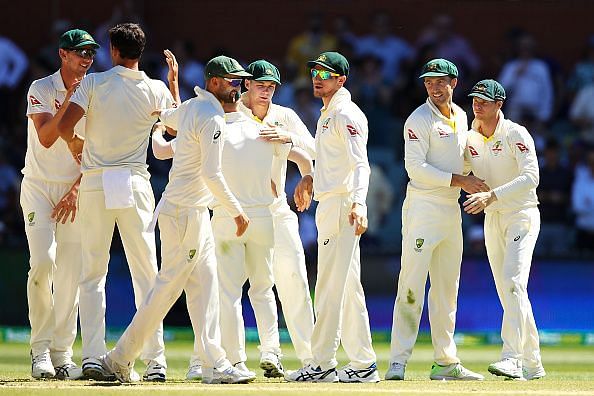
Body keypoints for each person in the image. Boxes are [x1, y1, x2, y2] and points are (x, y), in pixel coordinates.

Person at [101, 55, 255, 384]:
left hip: (189, 214)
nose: (239, 87)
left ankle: (215, 364)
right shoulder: (212, 118)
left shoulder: (195, 108)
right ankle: (119, 357)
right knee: (166, 291)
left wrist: (172, 89)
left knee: (206, 289)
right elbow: (211, 174)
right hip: (185, 214)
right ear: (214, 82)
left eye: (240, 81)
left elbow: (169, 122)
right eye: (233, 81)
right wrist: (237, 211)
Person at [57, 23, 174, 382]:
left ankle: (92, 356)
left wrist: (77, 145)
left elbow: (64, 127)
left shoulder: (93, 83)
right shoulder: (155, 89)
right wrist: (172, 86)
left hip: (95, 181)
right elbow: (176, 128)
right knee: (147, 275)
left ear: (113, 49)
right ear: (140, 52)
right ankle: (155, 361)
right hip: (135, 182)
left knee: (92, 273)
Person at [208, 57, 313, 381]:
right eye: (261, 85)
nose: (266, 92)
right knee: (230, 287)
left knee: (292, 278)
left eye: (271, 87)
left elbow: (311, 150)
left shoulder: (284, 116)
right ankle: (225, 358)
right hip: (233, 209)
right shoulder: (229, 114)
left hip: (276, 209)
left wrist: (292, 146)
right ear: (247, 85)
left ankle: (309, 359)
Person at [386, 59, 486, 381]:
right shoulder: (418, 119)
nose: (434, 87)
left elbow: (465, 162)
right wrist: (461, 180)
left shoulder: (461, 116)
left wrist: (481, 178)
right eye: (429, 82)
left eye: (440, 81)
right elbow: (415, 169)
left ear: (453, 83)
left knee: (446, 288)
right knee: (411, 285)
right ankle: (397, 362)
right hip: (423, 208)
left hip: (450, 211)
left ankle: (445, 361)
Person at [287, 51, 379, 383]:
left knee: (327, 285)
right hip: (332, 203)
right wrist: (311, 177)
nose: (317, 77)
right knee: (347, 286)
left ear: (341, 80)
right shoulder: (327, 114)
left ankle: (322, 363)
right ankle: (363, 362)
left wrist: (359, 203)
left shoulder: (345, 114)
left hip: (342, 206)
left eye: (325, 73)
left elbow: (360, 164)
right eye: (314, 71)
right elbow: (331, 159)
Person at [21, 28, 99, 380]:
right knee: (43, 263)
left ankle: (62, 353)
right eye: (80, 52)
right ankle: (40, 351)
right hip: (38, 187)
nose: (86, 58)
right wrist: (69, 97)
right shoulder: (40, 88)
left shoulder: (96, 92)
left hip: (75, 191)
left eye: (91, 53)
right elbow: (48, 137)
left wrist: (76, 189)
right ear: (63, 55)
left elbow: (95, 153)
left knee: (70, 275)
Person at [463, 79, 546, 380]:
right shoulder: (469, 137)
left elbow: (532, 176)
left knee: (513, 283)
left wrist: (492, 195)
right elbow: (460, 172)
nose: (477, 103)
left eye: (485, 99)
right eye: (475, 98)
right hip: (492, 217)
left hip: (521, 214)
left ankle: (511, 357)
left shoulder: (515, 133)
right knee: (510, 291)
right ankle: (533, 363)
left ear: (499, 104)